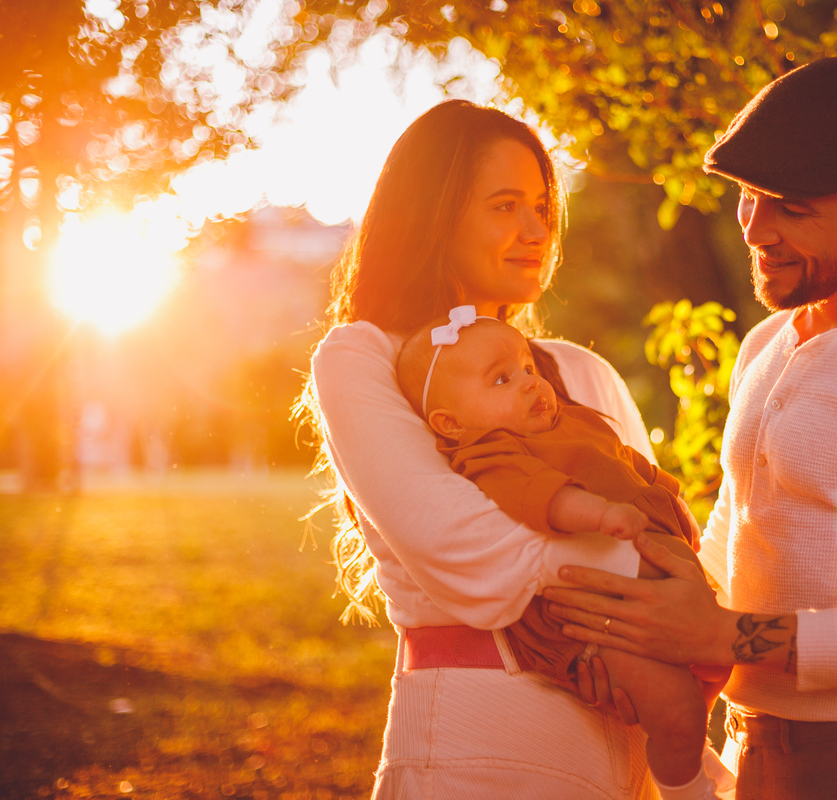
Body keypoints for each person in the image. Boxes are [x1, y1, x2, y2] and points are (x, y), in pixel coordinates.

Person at [544, 54, 837, 800]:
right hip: (754, 740)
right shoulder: (767, 345)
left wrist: (727, 638)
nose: (755, 230)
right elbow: (735, 534)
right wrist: (647, 628)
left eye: (792, 208)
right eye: (747, 197)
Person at [300, 99, 731, 799]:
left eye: (540, 205)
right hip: (477, 748)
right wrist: (642, 584)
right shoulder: (364, 357)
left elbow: (667, 532)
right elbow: (459, 550)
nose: (536, 230)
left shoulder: (582, 373)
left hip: (626, 754)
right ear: (434, 217)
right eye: (505, 207)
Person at [394, 310, 732, 792]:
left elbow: (628, 463)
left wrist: (669, 494)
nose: (530, 384)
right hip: (598, 613)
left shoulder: (574, 422)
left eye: (528, 368)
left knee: (713, 666)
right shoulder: (493, 452)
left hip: (652, 578)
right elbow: (542, 497)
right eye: (502, 379)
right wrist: (600, 516)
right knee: (674, 706)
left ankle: (691, 756)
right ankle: (689, 786)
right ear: (452, 423)